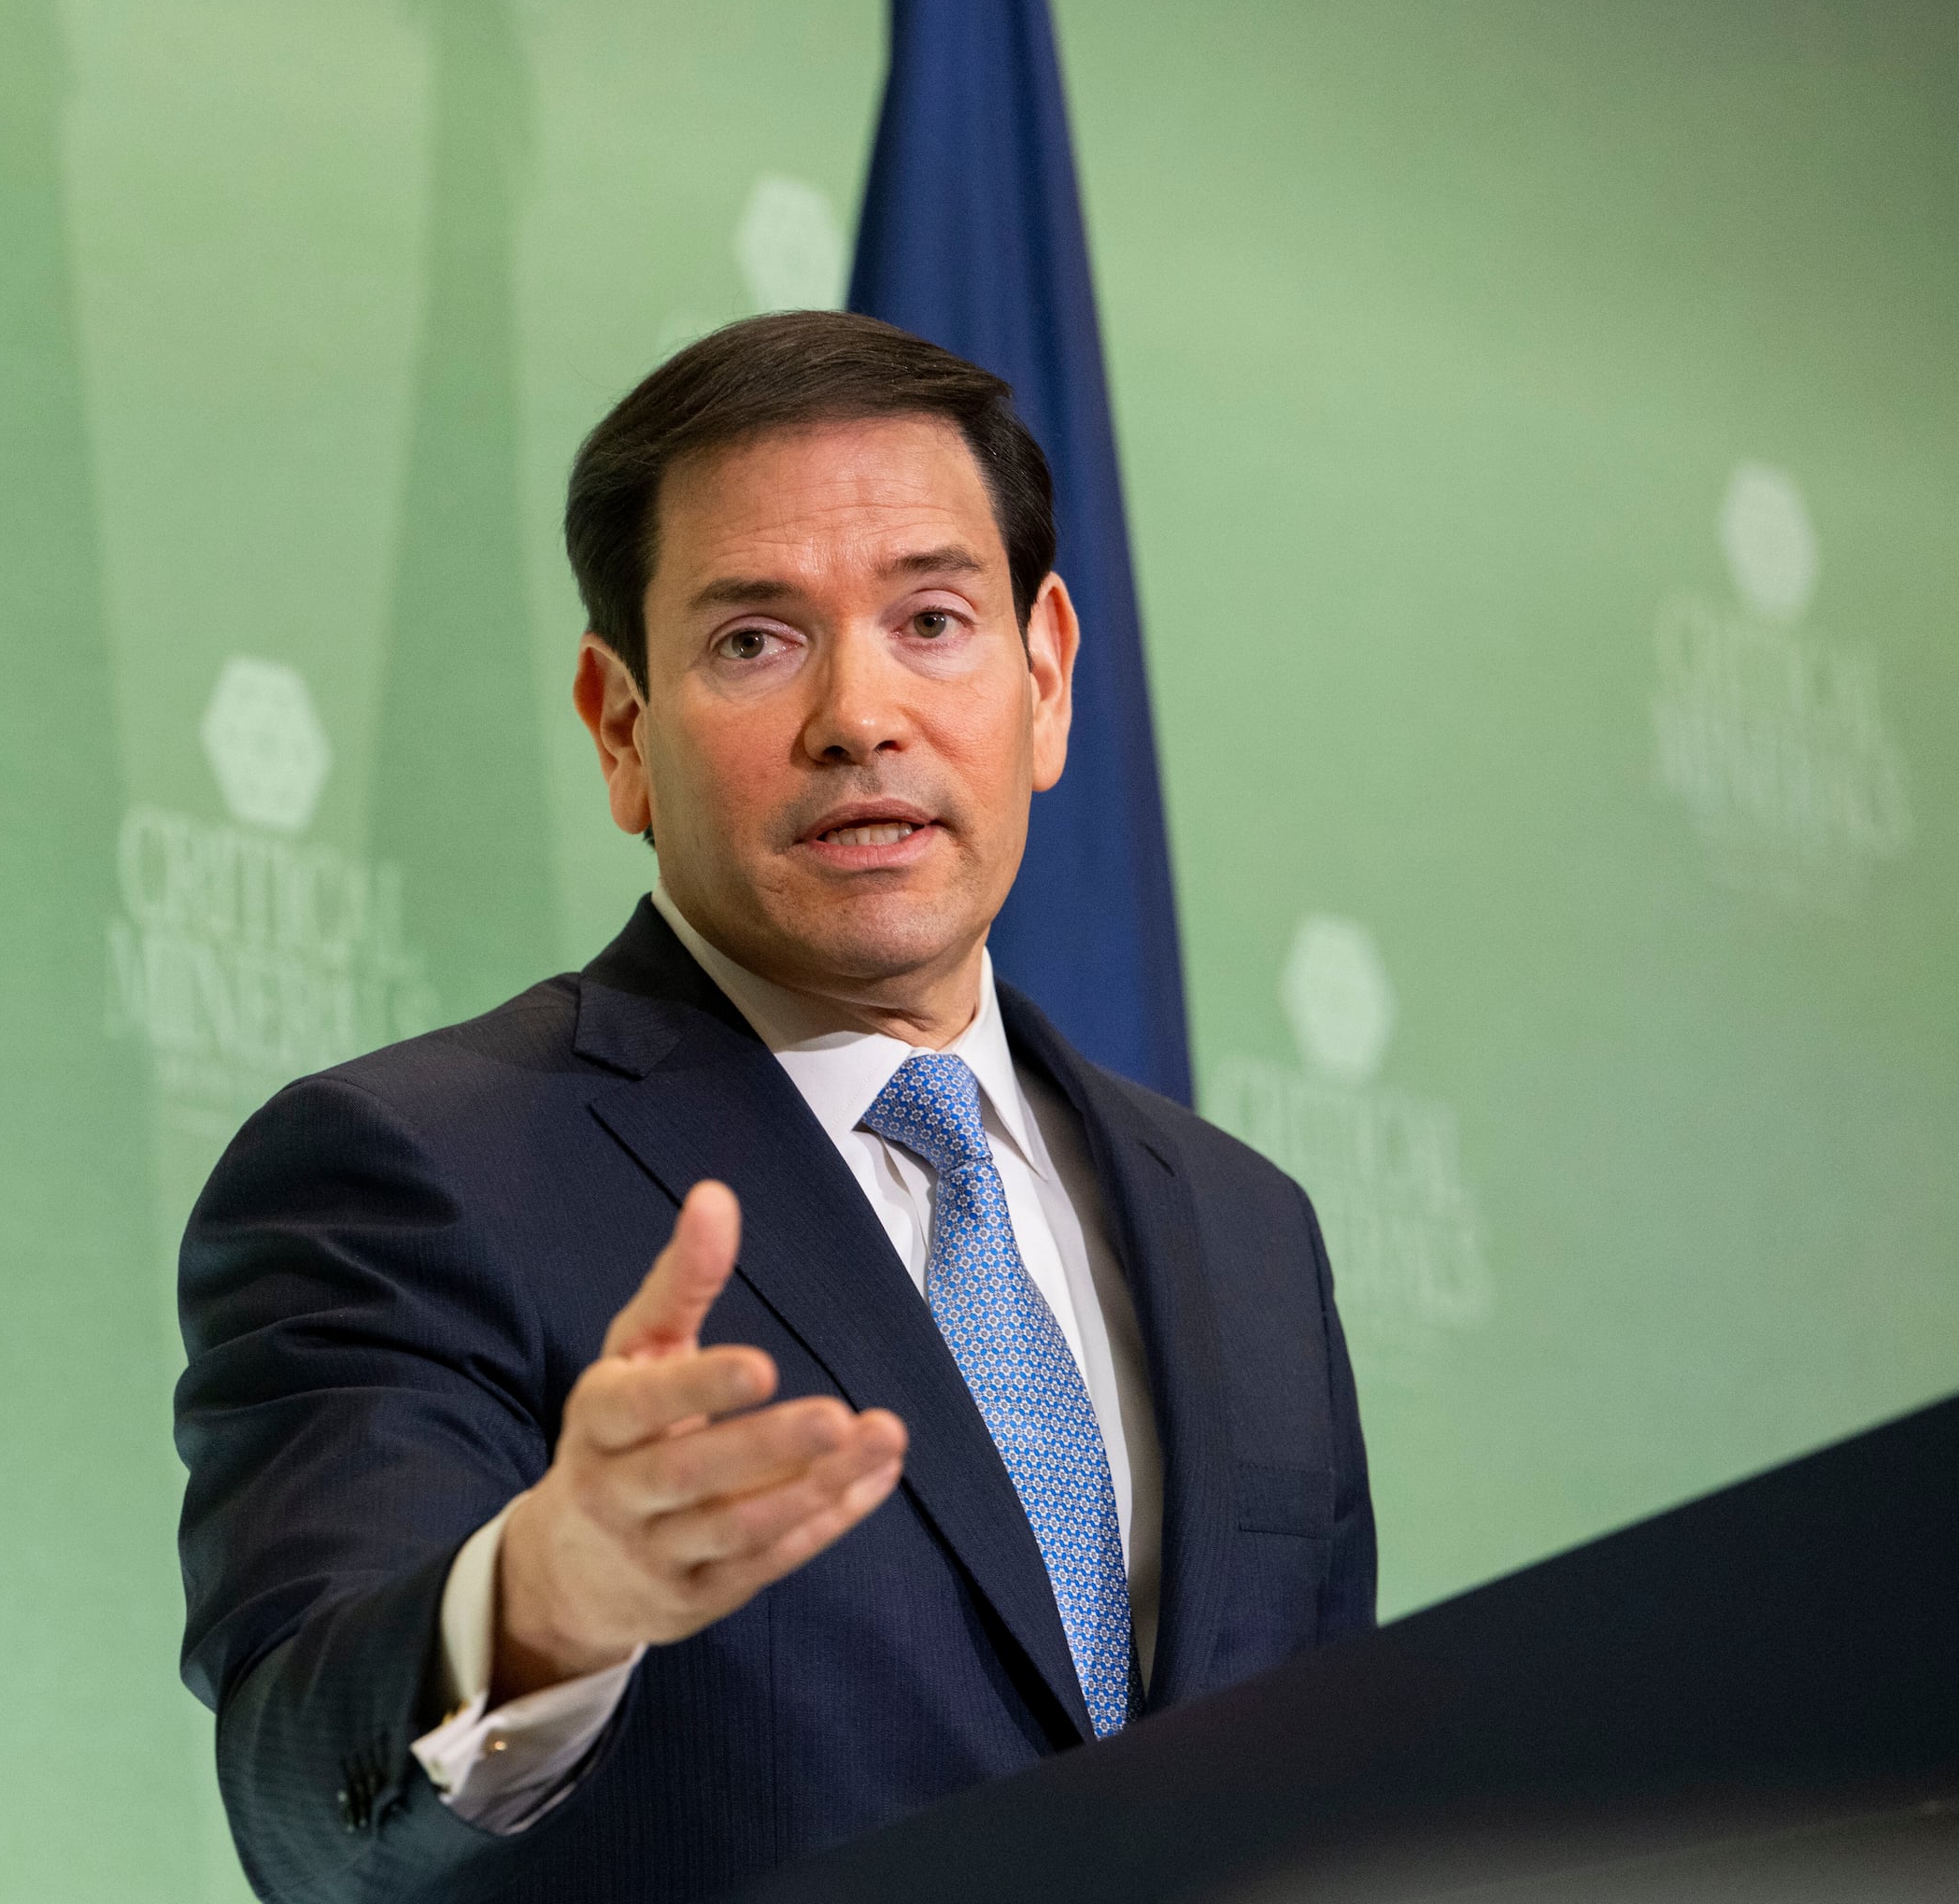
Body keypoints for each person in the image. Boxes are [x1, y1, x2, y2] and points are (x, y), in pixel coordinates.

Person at [172, 311, 1375, 1903]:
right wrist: (542, 1603)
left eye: (934, 619)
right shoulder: (413, 1176)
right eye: (756, 640)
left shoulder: (1245, 1232)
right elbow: (308, 1807)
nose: (859, 716)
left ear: (1049, 671)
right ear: (622, 730)